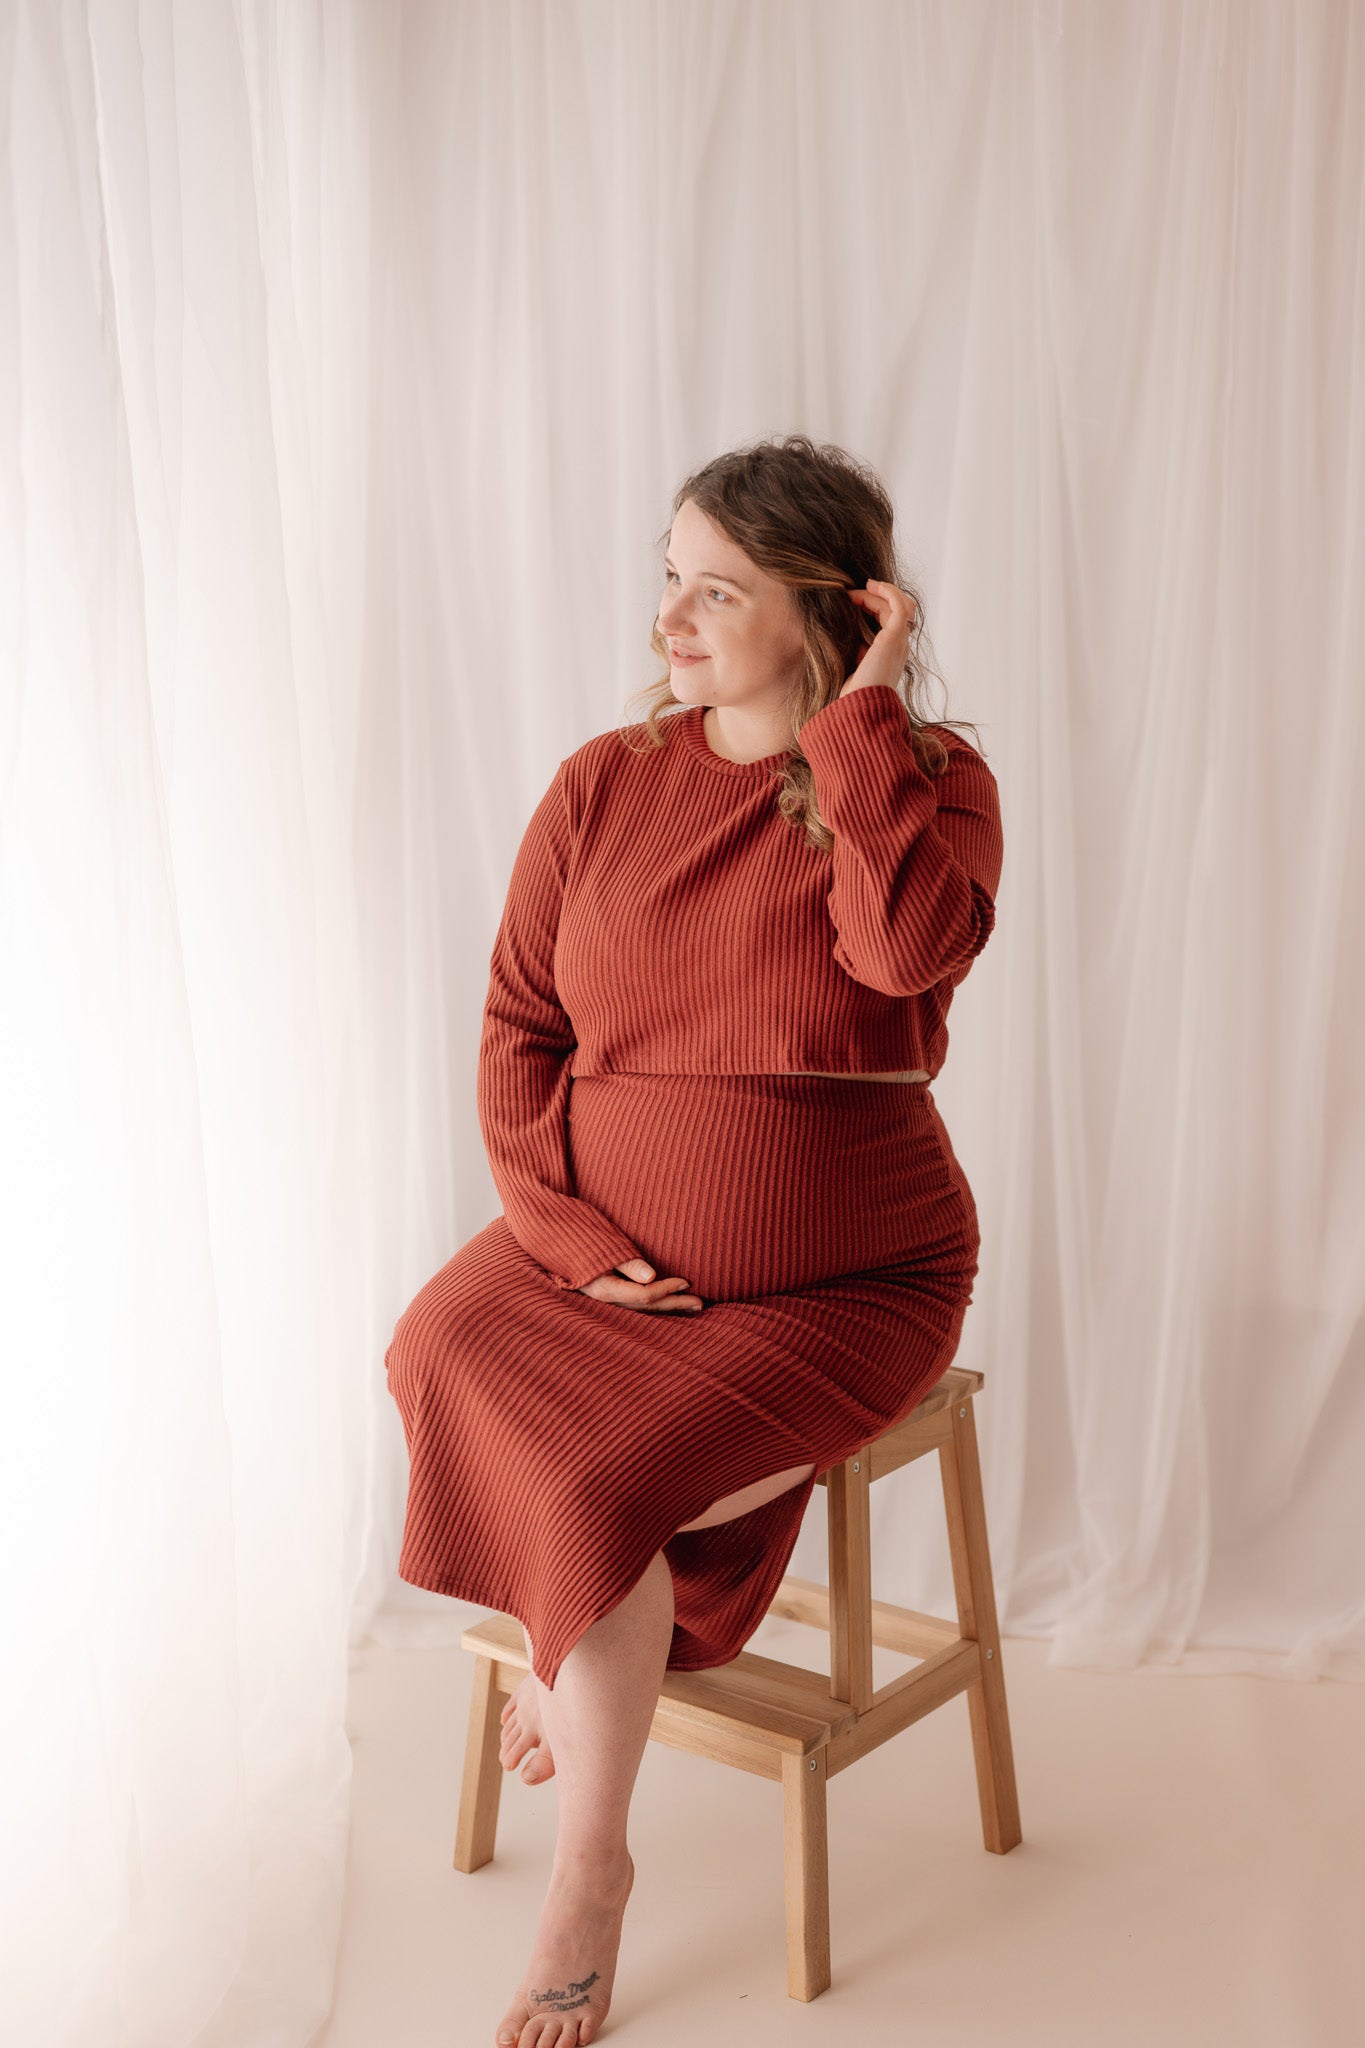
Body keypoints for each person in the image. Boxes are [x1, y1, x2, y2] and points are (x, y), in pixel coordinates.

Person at [384, 433, 1004, 2048]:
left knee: (593, 1489)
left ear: (834, 612)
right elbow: (519, 1026)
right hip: (599, 1250)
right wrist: (566, 1235)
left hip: (840, 1282)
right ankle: (576, 1620)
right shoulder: (603, 781)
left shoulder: (928, 788)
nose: (669, 615)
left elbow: (904, 958)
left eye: (713, 589)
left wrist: (859, 730)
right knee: (434, 1341)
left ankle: (588, 1867)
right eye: (667, 574)